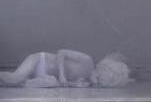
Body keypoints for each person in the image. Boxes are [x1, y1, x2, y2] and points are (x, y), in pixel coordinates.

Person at [0, 50, 131, 88]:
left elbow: (63, 83)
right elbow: (61, 52)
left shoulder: (86, 82)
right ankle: (14, 80)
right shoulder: (87, 60)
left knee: (51, 82)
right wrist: (62, 75)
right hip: (40, 61)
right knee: (15, 78)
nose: (96, 84)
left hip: (45, 75)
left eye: (99, 84)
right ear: (99, 70)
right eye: (98, 79)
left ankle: (18, 83)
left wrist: (73, 84)